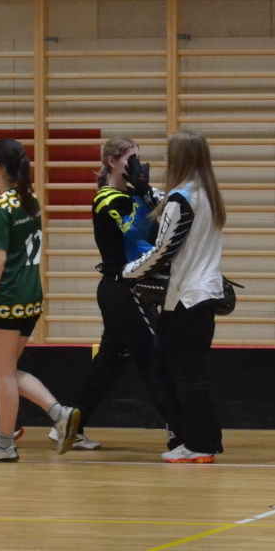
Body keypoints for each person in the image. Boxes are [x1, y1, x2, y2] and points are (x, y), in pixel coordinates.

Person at [0, 138, 81, 463]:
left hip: (7, 299)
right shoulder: (30, 201)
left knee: (3, 375)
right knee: (8, 370)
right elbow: (3, 208)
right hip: (31, 297)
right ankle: (59, 413)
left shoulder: (0, 209)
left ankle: (4, 444)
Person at [122, 130, 226, 463]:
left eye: (169, 155)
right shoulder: (205, 192)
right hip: (199, 295)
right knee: (173, 369)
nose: (164, 160)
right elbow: (170, 207)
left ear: (180, 158)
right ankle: (192, 440)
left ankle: (201, 444)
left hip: (188, 298)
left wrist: (129, 271)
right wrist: (145, 191)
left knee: (186, 375)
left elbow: (163, 249)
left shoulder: (182, 198)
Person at [67, 137, 165, 452]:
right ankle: (180, 428)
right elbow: (133, 231)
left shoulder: (129, 197)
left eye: (139, 160)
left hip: (125, 290)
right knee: (154, 354)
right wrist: (142, 195)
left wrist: (145, 194)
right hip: (123, 289)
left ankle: (69, 424)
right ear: (112, 162)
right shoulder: (107, 199)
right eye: (130, 160)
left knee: (109, 363)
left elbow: (155, 236)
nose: (136, 167)